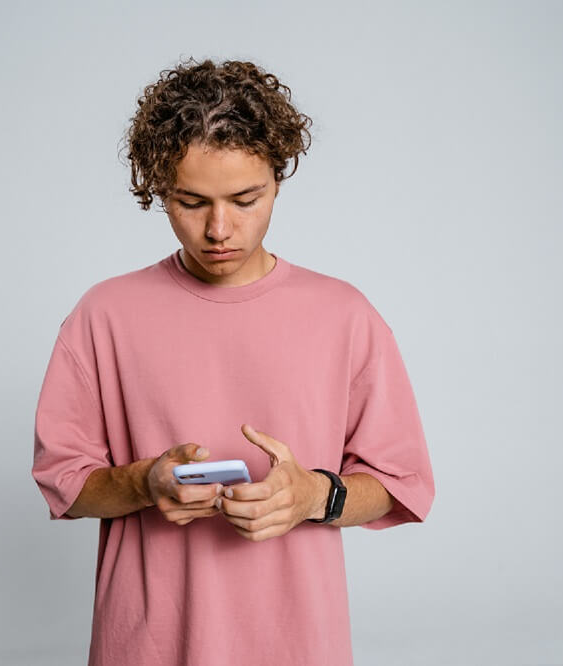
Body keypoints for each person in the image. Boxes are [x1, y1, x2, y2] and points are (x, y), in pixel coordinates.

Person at [31, 57, 435, 666]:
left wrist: (311, 497)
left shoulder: (344, 314)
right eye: (191, 201)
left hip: (297, 646)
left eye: (246, 198)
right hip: (148, 646)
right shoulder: (103, 314)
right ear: (157, 188)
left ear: (278, 178)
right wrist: (144, 482)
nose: (219, 228)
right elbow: (66, 484)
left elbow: (399, 484)